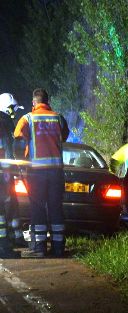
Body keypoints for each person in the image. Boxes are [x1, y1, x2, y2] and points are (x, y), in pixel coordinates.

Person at [14, 88, 69, 258]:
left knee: (38, 207)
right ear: (47, 101)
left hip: (36, 172)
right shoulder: (59, 118)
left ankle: (39, 248)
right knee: (55, 208)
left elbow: (17, 136)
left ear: (34, 102)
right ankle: (59, 247)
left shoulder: (28, 118)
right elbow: (64, 137)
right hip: (56, 172)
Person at [0, 93, 25, 257]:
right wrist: (8, 172)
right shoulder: (2, 123)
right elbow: (4, 151)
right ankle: (3, 246)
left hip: (4, 172)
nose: (14, 113)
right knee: (2, 209)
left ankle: (8, 241)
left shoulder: (5, 123)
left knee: (7, 206)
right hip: (3, 172)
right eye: (12, 109)